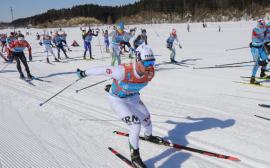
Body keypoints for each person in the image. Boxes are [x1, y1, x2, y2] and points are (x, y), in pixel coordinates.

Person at [76, 45, 164, 168]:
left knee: (147, 120)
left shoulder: (151, 73)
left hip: (133, 98)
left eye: (153, 62)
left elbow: (134, 84)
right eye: (147, 62)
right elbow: (101, 70)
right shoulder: (122, 71)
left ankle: (148, 136)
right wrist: (83, 73)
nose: (150, 66)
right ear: (137, 60)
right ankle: (135, 157)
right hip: (117, 100)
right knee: (135, 125)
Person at [250, 19, 269, 84]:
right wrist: (266, 27)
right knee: (257, 63)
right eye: (261, 24)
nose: (262, 25)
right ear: (258, 24)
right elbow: (258, 33)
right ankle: (252, 79)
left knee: (265, 59)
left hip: (261, 48)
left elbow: (267, 34)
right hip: (255, 49)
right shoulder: (255, 29)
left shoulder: (263, 29)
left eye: (263, 24)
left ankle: (262, 73)